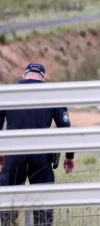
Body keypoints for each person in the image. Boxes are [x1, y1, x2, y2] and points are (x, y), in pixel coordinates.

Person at [0, 63, 76, 226]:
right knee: (43, 210)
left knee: (8, 208)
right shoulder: (52, 95)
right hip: (41, 156)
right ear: (43, 77)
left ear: (24, 76)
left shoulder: (7, 94)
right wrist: (69, 156)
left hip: (13, 155)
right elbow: (66, 129)